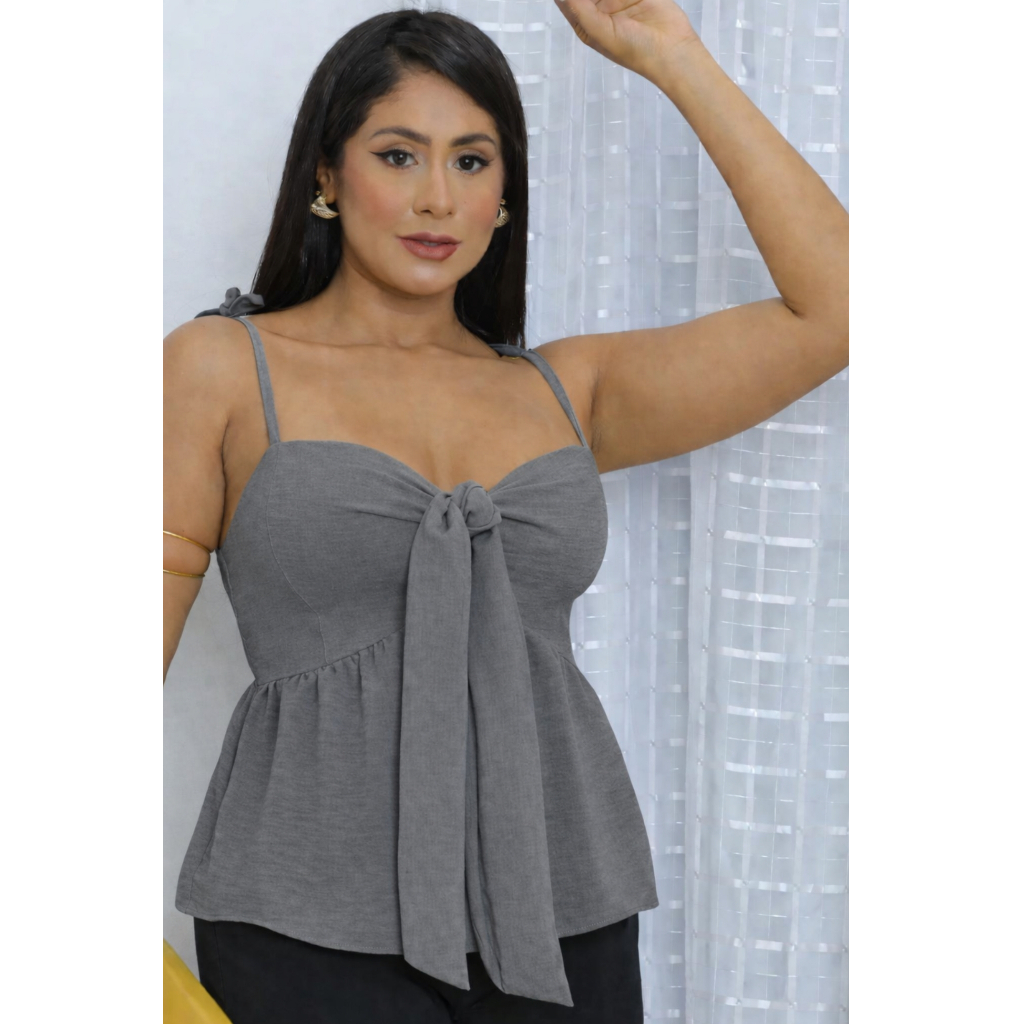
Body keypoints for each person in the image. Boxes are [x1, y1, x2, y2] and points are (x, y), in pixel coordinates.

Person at [163, 4, 848, 1023]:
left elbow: (840, 307)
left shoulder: (566, 390)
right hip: (301, 910)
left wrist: (672, 55)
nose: (437, 197)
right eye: (399, 155)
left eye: (473, 161)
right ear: (327, 176)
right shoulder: (219, 366)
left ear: (504, 200)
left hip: (564, 905)